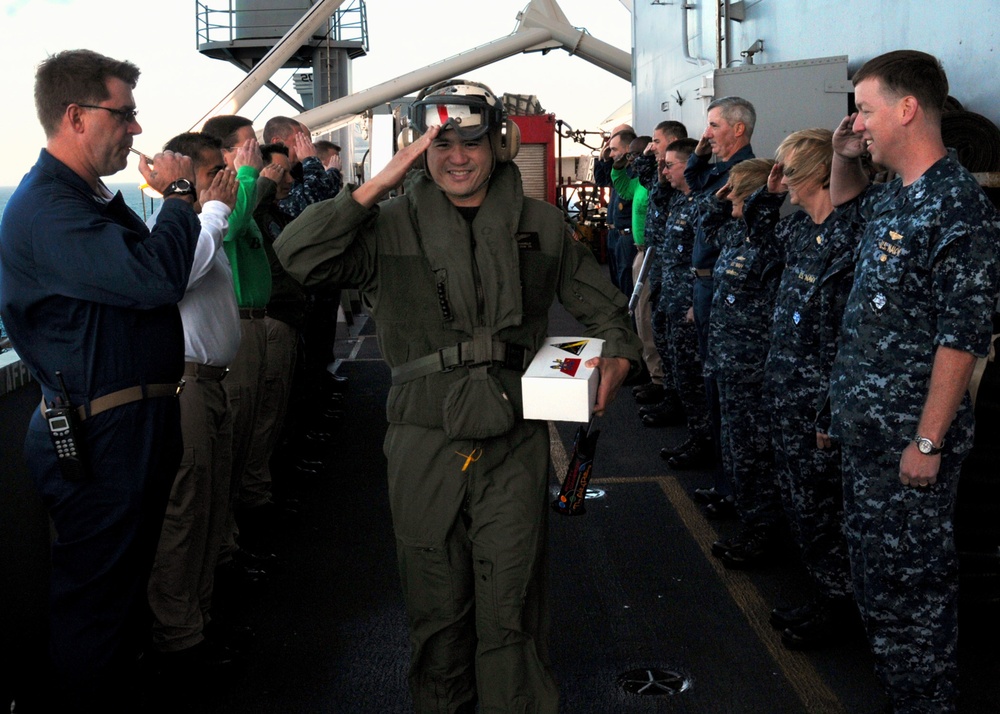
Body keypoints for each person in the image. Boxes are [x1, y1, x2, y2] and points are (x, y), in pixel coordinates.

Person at [274, 79, 641, 713]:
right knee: (436, 613)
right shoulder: (385, 225)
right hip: (423, 441)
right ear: (420, 149)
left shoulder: (541, 225)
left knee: (513, 612)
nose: (458, 158)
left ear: (495, 142)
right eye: (439, 145)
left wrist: (617, 354)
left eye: (472, 141)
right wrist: (376, 185)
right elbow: (298, 256)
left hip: (514, 442)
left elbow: (610, 315)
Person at [0, 49, 201, 711]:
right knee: (95, 603)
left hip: (127, 427)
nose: (138, 129)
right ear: (77, 117)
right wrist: (177, 196)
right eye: (126, 113)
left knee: (119, 596)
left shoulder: (82, 200)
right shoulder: (47, 209)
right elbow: (156, 279)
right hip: (100, 436)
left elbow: (137, 269)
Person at [828, 50, 1000, 713]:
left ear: (907, 109)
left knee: (916, 583)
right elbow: (843, 206)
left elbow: (961, 340)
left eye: (865, 110)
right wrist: (846, 151)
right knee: (878, 578)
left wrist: (926, 444)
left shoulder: (957, 206)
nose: (859, 123)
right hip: (869, 432)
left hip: (909, 443)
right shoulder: (896, 194)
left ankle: (927, 701)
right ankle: (904, 692)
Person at [145, 132, 242, 674]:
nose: (224, 187)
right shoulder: (176, 227)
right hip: (186, 386)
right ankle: (178, 636)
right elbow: (178, 274)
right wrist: (210, 212)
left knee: (208, 506)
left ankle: (198, 619)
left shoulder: (210, 224)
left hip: (211, 383)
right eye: (216, 177)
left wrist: (218, 211)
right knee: (184, 513)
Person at [761, 128, 860, 649]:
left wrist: (829, 411)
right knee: (801, 505)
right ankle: (822, 595)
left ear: (817, 174)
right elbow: (755, 236)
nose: (786, 182)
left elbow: (849, 337)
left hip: (820, 404)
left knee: (827, 511)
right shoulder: (800, 230)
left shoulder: (849, 235)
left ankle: (839, 610)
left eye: (791, 171)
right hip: (786, 395)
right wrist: (770, 187)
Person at [701, 158, 786, 569]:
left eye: (735, 189)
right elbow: (709, 232)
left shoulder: (771, 240)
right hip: (729, 363)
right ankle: (752, 522)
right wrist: (720, 203)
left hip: (753, 370)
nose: (728, 193)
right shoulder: (739, 234)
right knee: (738, 451)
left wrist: (758, 200)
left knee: (755, 455)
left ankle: (764, 533)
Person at [200, 115, 273, 577]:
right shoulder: (218, 204)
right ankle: (226, 551)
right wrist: (245, 176)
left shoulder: (241, 193)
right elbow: (230, 225)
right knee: (231, 447)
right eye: (247, 147)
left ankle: (234, 538)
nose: (256, 154)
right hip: (237, 332)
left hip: (253, 323)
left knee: (249, 436)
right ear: (225, 155)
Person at [684, 96, 756, 519]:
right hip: (705, 286)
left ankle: (733, 487)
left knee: (724, 396)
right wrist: (699, 150)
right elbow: (694, 179)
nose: (707, 133)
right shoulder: (716, 169)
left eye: (713, 125)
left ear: (738, 128)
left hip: (721, 288)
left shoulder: (743, 174)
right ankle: (724, 480)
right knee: (713, 388)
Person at [655, 138, 715, 470]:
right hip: (673, 298)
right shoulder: (679, 201)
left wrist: (694, 302)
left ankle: (704, 441)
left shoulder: (701, 205)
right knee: (681, 371)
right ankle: (696, 433)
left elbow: (706, 261)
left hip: (690, 304)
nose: (663, 170)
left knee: (694, 376)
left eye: (670, 164)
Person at [593, 125, 636, 296]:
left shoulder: (632, 172)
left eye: (613, 148)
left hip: (626, 234)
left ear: (627, 148)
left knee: (626, 283)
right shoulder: (618, 170)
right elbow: (602, 180)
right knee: (616, 281)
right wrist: (603, 159)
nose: (610, 151)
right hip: (614, 232)